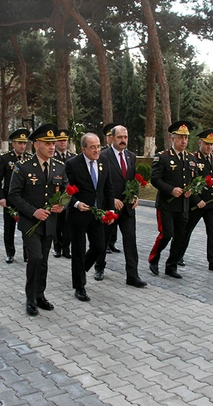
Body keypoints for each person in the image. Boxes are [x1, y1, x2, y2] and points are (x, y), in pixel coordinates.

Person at [8, 124, 66, 316]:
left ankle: (40, 295)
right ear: (36, 145)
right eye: (47, 143)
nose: (52, 147)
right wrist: (34, 212)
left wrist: (62, 205)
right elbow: (14, 195)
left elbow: (68, 191)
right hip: (30, 223)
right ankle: (30, 298)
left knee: (44, 261)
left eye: (53, 143)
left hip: (49, 223)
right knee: (36, 258)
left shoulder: (59, 166)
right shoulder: (23, 167)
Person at [93, 125, 147, 288]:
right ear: (111, 139)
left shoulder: (131, 156)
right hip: (110, 208)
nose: (123, 140)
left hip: (128, 209)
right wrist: (112, 199)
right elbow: (98, 184)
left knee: (130, 241)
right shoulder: (103, 156)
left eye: (125, 137)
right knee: (103, 240)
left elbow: (132, 179)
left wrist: (135, 195)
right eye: (119, 137)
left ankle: (132, 275)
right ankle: (99, 267)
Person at [65, 133, 115, 302]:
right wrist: (76, 203)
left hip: (97, 213)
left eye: (99, 146)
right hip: (78, 214)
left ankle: (80, 271)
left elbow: (108, 188)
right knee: (78, 251)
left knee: (99, 246)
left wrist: (110, 210)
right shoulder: (72, 164)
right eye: (93, 147)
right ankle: (79, 287)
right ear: (83, 149)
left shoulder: (104, 162)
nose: (97, 150)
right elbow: (66, 189)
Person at [148, 121, 198, 279]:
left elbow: (194, 179)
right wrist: (171, 189)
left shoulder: (191, 158)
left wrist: (192, 189)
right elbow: (155, 179)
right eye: (180, 138)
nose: (184, 141)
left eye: (186, 138)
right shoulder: (162, 157)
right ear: (173, 138)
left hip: (183, 205)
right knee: (166, 234)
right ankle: (153, 259)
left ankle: (171, 265)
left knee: (180, 237)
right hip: (166, 205)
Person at [181, 129, 213, 274]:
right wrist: (196, 199)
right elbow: (189, 182)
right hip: (197, 204)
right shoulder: (193, 158)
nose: (209, 147)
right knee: (186, 231)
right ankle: (178, 256)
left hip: (211, 204)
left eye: (212, 145)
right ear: (200, 142)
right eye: (207, 144)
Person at [0, 128, 33, 264]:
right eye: (19, 143)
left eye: (24, 143)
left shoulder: (29, 158)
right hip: (9, 198)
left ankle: (27, 253)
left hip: (25, 199)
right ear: (13, 144)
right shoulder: (5, 158)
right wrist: (1, 197)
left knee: (26, 226)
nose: (22, 146)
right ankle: (10, 252)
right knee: (9, 227)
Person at [53, 128, 75, 259]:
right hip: (56, 194)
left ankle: (67, 248)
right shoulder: (52, 156)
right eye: (60, 140)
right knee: (57, 224)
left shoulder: (73, 157)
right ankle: (57, 247)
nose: (62, 143)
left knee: (68, 224)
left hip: (69, 194)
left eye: (64, 140)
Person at [101, 122, 121, 254]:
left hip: (120, 197)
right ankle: (105, 245)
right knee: (107, 226)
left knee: (115, 226)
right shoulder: (103, 154)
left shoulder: (127, 155)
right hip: (108, 197)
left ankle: (112, 243)